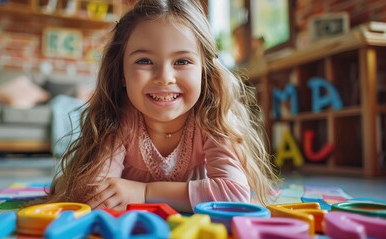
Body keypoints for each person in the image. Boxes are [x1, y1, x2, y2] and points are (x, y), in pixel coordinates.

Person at [47, 0, 279, 213]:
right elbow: (96, 192)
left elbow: (234, 194)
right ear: (122, 74)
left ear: (204, 72)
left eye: (182, 61)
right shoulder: (120, 117)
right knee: (70, 186)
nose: (164, 77)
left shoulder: (211, 117)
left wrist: (144, 192)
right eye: (144, 61)